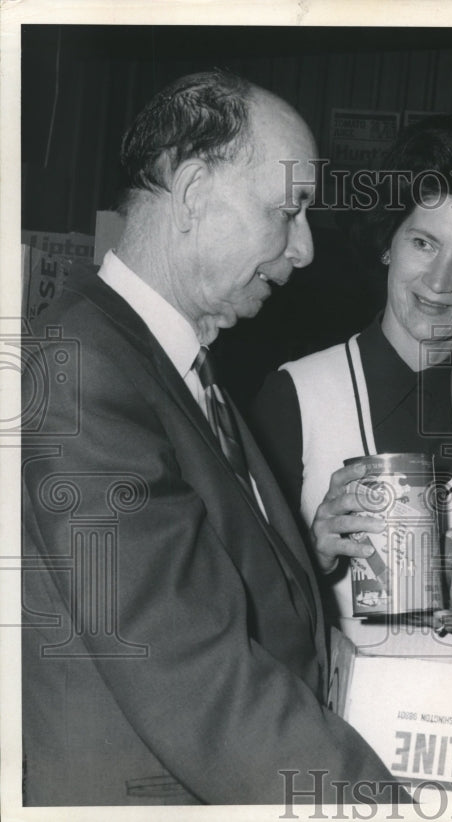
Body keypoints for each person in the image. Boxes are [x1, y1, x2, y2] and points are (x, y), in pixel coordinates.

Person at [20, 70, 400, 805]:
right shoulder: (80, 369)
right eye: (287, 211)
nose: (305, 248)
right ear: (194, 194)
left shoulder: (167, 361)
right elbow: (193, 674)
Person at [251, 115, 452, 646]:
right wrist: (311, 555)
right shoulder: (294, 395)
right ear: (389, 242)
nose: (439, 281)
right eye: (424, 243)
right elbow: (239, 599)